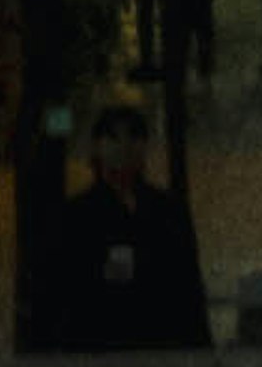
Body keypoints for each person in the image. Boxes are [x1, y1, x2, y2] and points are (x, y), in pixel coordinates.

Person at [37, 100, 212, 351]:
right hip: (103, 341)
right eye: (114, 139)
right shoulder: (77, 215)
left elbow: (188, 283)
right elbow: (65, 288)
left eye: (133, 138)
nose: (125, 148)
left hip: (161, 340)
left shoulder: (166, 209)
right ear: (97, 148)